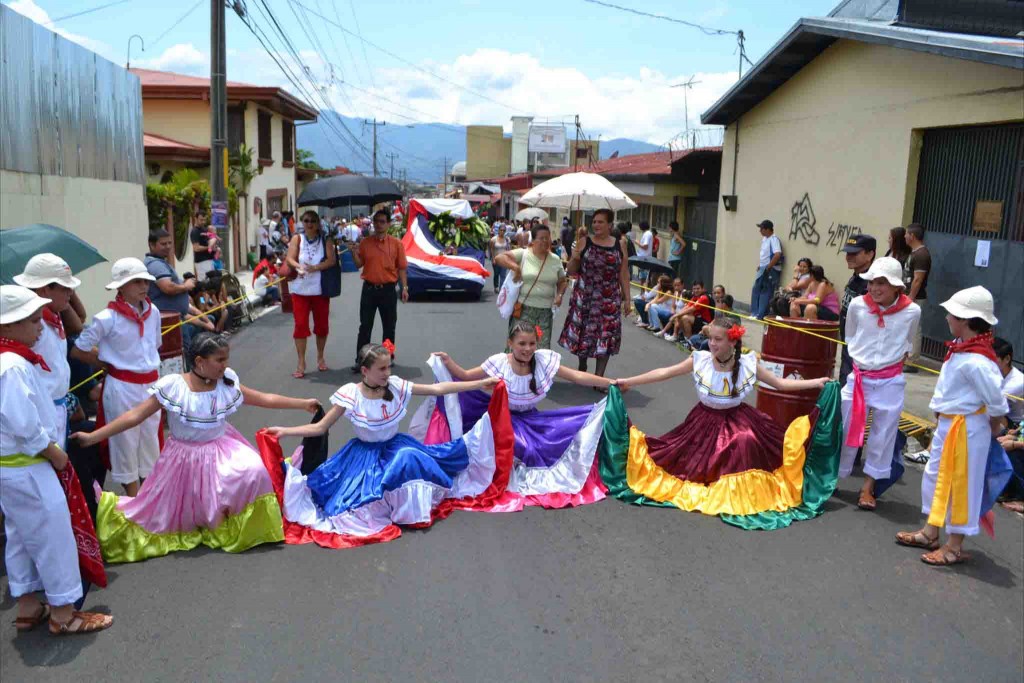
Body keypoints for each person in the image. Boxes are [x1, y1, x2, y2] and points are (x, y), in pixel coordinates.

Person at [72, 332, 316, 563]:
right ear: (199, 361)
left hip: (221, 448)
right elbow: (135, 415)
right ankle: (205, 520)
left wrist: (303, 404)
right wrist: (93, 437)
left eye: (225, 359)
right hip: (184, 457)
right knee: (160, 515)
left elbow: (263, 398)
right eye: (219, 360)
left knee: (253, 471)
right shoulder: (174, 386)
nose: (224, 365)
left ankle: (238, 526)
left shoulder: (226, 382)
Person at [266, 343, 500, 542]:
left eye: (388, 367)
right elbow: (320, 427)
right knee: (344, 504)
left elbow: (437, 388)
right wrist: (285, 431)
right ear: (365, 371)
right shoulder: (351, 393)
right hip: (363, 456)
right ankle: (391, 505)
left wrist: (477, 384)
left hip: (396, 447)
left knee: (408, 456)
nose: (387, 373)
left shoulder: (396, 385)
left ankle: (407, 511)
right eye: (382, 368)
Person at [614, 318, 829, 516]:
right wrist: (630, 381)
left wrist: (815, 382)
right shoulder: (700, 359)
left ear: (732, 342)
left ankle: (740, 493)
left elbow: (780, 384)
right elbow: (664, 372)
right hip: (703, 421)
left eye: (718, 339)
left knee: (745, 440)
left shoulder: (748, 363)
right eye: (710, 338)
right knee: (680, 462)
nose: (712, 344)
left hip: (737, 420)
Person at [0, 285, 114, 636]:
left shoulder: (15, 361)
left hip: (14, 468)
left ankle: (28, 604)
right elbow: (23, 423)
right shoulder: (13, 366)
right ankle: (64, 612)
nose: (40, 326)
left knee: (20, 535)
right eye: (32, 320)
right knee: (54, 534)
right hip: (29, 464)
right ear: (8, 327)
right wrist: (55, 453)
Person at [429, 322, 615, 509]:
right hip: (501, 420)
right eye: (522, 344)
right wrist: (446, 363)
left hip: (530, 420)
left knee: (563, 433)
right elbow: (466, 376)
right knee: (525, 449)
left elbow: (577, 376)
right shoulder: (499, 362)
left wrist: (610, 382)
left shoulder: (543, 360)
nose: (527, 349)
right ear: (510, 343)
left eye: (532, 344)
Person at [896, 286, 1008, 566]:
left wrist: (993, 427)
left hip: (968, 430)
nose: (947, 317)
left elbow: (996, 403)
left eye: (952, 314)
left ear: (966, 320)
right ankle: (931, 531)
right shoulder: (961, 351)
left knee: (962, 483)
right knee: (936, 477)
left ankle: (954, 545)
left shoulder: (979, 360)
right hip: (950, 426)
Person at [70, 258, 161, 497]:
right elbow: (79, 348)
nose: (143, 286)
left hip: (150, 385)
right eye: (135, 282)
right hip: (122, 386)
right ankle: (134, 501)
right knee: (125, 443)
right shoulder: (107, 318)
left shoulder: (154, 313)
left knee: (151, 441)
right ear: (120, 286)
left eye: (145, 281)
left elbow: (154, 347)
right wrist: (105, 363)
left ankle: (151, 498)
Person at [838, 257, 921, 511]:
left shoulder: (912, 311)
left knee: (883, 435)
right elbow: (850, 335)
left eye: (882, 283)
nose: (875, 288)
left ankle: (868, 488)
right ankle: (834, 478)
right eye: (872, 282)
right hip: (859, 377)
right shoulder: (857, 306)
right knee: (845, 427)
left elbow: (908, 343)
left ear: (897, 286)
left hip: (891, 381)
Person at [13, 254, 85, 449]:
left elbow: (79, 322)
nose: (70, 293)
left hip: (57, 408)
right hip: (40, 412)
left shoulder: (54, 316)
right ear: (45, 289)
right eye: (65, 288)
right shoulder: (30, 325)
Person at [560, 208, 631, 387]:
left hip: (609, 298)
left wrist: (627, 298)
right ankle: (582, 363)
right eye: (594, 222)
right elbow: (570, 271)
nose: (596, 225)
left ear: (610, 225)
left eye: (601, 222)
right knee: (584, 334)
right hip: (586, 297)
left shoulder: (620, 244)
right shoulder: (584, 242)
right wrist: (575, 257)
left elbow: (624, 273)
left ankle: (599, 379)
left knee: (606, 335)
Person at [145, 229, 214, 364]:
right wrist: (185, 286)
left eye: (170, 243)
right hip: (171, 323)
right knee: (182, 356)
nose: (168, 247)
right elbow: (167, 287)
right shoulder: (155, 265)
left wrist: (206, 318)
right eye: (163, 244)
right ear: (152, 245)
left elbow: (193, 310)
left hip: (178, 319)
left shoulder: (160, 263)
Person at [352, 209, 408, 372]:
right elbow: (358, 265)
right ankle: (361, 360)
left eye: (382, 221)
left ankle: (388, 358)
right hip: (369, 289)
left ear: (388, 224)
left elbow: (402, 268)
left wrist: (404, 287)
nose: (378, 225)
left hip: (388, 290)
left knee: (389, 327)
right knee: (365, 327)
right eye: (376, 221)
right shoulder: (365, 243)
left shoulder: (396, 244)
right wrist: (353, 252)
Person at [494, 222, 567, 348]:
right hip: (524, 311)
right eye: (541, 238)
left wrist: (560, 294)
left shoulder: (555, 259)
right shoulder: (524, 254)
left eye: (547, 238)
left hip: (545, 313)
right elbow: (499, 258)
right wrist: (515, 267)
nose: (545, 241)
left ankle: (536, 369)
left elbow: (562, 280)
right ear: (533, 240)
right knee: (520, 347)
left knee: (541, 349)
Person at [286, 209, 337, 378]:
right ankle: (301, 362)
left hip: (320, 289)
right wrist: (298, 267)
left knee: (321, 326)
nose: (309, 224)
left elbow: (331, 261)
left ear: (318, 224)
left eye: (313, 221)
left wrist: (315, 267)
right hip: (300, 289)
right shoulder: (297, 238)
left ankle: (320, 357)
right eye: (306, 220)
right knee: (300, 325)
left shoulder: (325, 240)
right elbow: (290, 258)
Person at [839, 234, 877, 386]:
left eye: (854, 253)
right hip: (847, 344)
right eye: (848, 253)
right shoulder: (855, 277)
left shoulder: (872, 284)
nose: (849, 257)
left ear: (870, 255)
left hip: (860, 350)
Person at [902, 223, 931, 372]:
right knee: (907, 326)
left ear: (912, 236)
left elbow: (918, 279)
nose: (905, 236)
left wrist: (911, 297)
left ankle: (912, 361)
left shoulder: (922, 255)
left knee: (915, 327)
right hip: (907, 295)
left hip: (915, 297)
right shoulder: (914, 253)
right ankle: (905, 356)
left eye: (906, 234)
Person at [751, 219, 783, 319]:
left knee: (766, 291)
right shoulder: (765, 239)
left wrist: (768, 267)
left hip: (770, 269)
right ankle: (755, 313)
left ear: (768, 229)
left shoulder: (774, 239)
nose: (760, 231)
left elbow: (777, 254)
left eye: (762, 229)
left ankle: (760, 314)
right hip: (763, 267)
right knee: (756, 289)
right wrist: (760, 265)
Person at [994, 337, 1023, 429]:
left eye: (993, 359)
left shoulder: (1017, 382)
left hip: (1014, 424)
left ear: (1007, 359)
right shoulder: (995, 373)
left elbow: (993, 403)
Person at [190, 211, 216, 281]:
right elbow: (196, 248)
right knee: (204, 284)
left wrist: (213, 246)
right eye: (201, 220)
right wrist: (208, 247)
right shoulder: (194, 231)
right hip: (202, 262)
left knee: (212, 283)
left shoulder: (204, 229)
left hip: (210, 260)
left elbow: (208, 241)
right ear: (195, 219)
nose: (203, 222)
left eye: (204, 220)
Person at [488, 223, 511, 293]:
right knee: (496, 274)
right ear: (498, 230)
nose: (502, 232)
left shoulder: (506, 239)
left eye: (504, 230)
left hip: (504, 260)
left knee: (503, 275)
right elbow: (491, 249)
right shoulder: (493, 239)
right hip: (496, 260)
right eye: (501, 230)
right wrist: (493, 259)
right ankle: (496, 286)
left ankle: (501, 289)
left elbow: (508, 249)